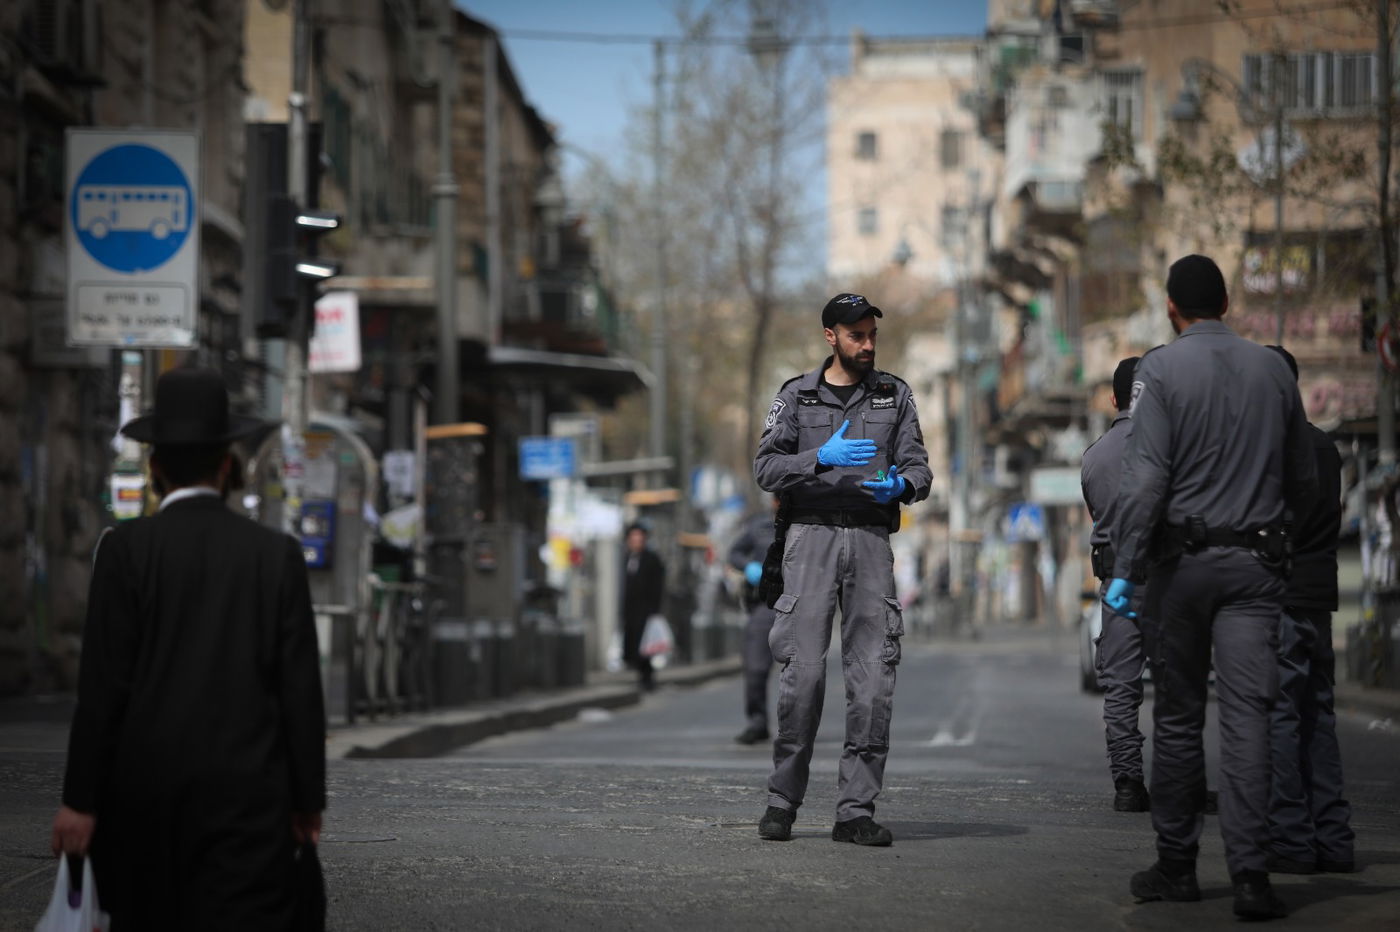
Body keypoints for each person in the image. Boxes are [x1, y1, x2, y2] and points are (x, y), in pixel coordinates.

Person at [50, 366, 327, 930]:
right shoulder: (274, 556)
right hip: (248, 806)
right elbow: (299, 691)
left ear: (154, 469)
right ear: (227, 465)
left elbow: (102, 689)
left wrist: (80, 800)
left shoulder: (125, 552)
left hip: (141, 805)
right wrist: (306, 800)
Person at [1104, 255, 1316, 920]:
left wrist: (1126, 569)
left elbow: (1144, 484)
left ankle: (1177, 866)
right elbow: (1304, 479)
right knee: (1250, 720)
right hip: (1257, 571)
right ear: (1227, 301)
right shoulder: (1275, 370)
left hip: (1185, 570)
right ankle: (1252, 878)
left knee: (1177, 717)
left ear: (1173, 308)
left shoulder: (1160, 370)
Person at [752, 292, 931, 847]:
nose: (868, 344)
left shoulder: (894, 394)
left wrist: (902, 485)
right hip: (810, 539)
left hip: (871, 540)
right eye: (856, 335)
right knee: (802, 677)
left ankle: (855, 810)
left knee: (873, 681)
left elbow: (920, 467)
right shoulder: (796, 395)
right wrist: (818, 459)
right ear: (830, 336)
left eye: (872, 333)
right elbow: (765, 466)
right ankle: (783, 800)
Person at [1264, 346, 1355, 875]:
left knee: (1281, 715)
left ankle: (1293, 841)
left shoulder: (1272, 450)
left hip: (1283, 593)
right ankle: (1335, 840)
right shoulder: (1327, 448)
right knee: (1319, 715)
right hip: (1321, 596)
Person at [1080, 356, 1151, 812]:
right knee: (1180, 687)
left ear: (1114, 399)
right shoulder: (1172, 448)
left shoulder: (1096, 455)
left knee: (1121, 688)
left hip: (1118, 585)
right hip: (1169, 580)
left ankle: (1127, 784)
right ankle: (1184, 780)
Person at [728, 495, 780, 745]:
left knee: (807, 673)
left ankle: (800, 727)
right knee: (755, 668)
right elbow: (734, 553)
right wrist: (749, 566)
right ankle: (757, 722)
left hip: (803, 605)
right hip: (766, 604)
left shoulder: (813, 526)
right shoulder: (759, 527)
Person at [620, 522, 666, 691]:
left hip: (646, 611)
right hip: (630, 611)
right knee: (633, 645)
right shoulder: (626, 558)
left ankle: (647, 678)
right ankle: (640, 675)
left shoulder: (652, 559)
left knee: (646, 647)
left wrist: (654, 611)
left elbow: (657, 587)